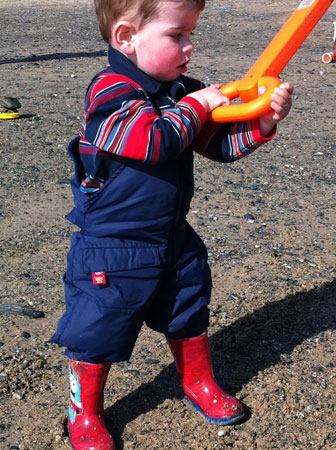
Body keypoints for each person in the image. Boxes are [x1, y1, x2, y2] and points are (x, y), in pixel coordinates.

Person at [51, 0, 293, 448]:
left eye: (190, 33)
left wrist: (261, 122)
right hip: (115, 244)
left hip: (171, 233)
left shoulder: (181, 91)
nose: (190, 45)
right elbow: (155, 140)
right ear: (126, 38)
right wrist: (198, 103)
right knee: (98, 325)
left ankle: (197, 381)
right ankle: (84, 411)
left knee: (188, 303)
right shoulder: (110, 91)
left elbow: (217, 145)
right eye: (176, 34)